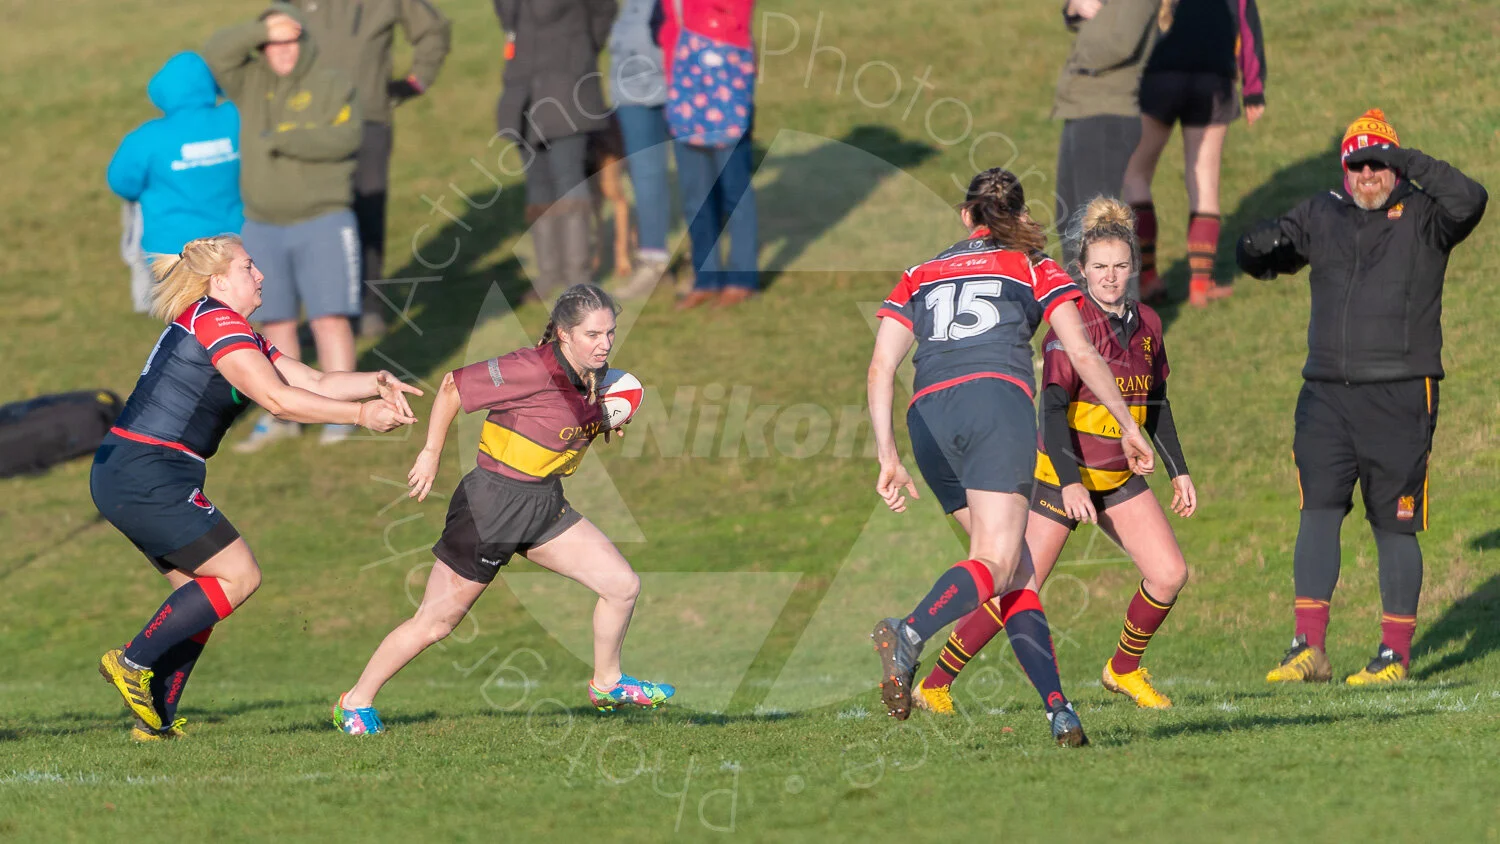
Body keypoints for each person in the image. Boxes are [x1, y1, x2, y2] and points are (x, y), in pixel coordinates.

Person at [866, 169, 1154, 746]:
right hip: (993, 404)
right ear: (1015, 215)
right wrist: (1128, 424)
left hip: (926, 419)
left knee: (1013, 570)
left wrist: (888, 457)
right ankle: (910, 631)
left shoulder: (919, 274)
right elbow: (1081, 351)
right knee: (997, 561)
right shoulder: (1033, 267)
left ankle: (1059, 709)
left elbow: (881, 368)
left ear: (965, 216)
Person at [94, 234, 419, 741]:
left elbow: (311, 381)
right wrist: (360, 416)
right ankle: (133, 662)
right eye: (249, 267)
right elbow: (278, 401)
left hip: (135, 468)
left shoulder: (229, 325)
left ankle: (153, 717)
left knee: (199, 593)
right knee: (238, 576)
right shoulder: (217, 320)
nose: (260, 274)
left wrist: (376, 381)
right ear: (220, 280)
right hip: (147, 468)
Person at [332, 284, 674, 734]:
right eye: (593, 334)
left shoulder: (594, 375)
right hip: (490, 506)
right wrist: (431, 452)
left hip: (544, 504)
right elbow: (453, 385)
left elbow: (567, 417)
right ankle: (354, 702)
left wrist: (598, 424)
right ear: (564, 334)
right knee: (435, 623)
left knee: (622, 586)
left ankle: (607, 684)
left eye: (610, 333)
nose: (605, 344)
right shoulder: (530, 367)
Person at [912, 197, 1197, 714]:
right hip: (1056, 476)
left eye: (1119, 267)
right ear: (1082, 271)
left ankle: (1123, 670)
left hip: (1115, 476)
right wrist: (1068, 484)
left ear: (1133, 267)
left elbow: (1155, 402)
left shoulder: (1149, 323)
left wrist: (1180, 473)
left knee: (1169, 574)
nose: (1110, 277)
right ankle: (934, 683)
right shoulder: (1073, 321)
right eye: (1100, 268)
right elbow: (1052, 409)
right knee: (1015, 589)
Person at [1237, 109, 1487, 685]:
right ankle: (1309, 649)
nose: (1368, 175)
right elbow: (1270, 253)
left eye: (1378, 164)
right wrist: (1255, 251)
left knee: (1393, 524)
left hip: (1401, 394)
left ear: (1394, 167)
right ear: (1344, 169)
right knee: (1317, 512)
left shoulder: (1425, 214)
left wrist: (1408, 159)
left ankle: (1394, 655)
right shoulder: (1323, 212)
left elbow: (1471, 199)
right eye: (1358, 164)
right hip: (1325, 395)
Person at [203, 4, 366, 449]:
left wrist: (282, 138)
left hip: (323, 218)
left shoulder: (331, 83)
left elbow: (345, 139)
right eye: (272, 42)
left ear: (303, 40)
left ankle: (341, 417)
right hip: (262, 224)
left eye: (289, 40)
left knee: (330, 318)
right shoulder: (251, 81)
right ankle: (287, 413)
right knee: (274, 322)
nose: (282, 51)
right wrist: (260, 27)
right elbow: (215, 53)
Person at [290, 0, 452, 338]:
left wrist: (417, 81)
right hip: (310, 125)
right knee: (316, 221)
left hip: (369, 120)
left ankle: (368, 307)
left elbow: (432, 28)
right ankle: (324, 311)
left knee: (367, 213)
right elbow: (270, 36)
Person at [1121, 0, 1266, 307]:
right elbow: (1246, 18)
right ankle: (1201, 283)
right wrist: (1253, 89)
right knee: (1203, 174)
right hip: (1214, 73)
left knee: (1136, 172)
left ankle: (1147, 279)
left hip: (1159, 71)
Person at [493, 0, 618, 301]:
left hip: (568, 87)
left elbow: (605, 10)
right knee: (537, 185)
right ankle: (549, 274)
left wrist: (580, 53)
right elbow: (506, 18)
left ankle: (578, 277)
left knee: (569, 181)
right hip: (522, 90)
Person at [107, 52, 243, 313]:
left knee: (189, 326)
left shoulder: (147, 138)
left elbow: (121, 183)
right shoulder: (236, 119)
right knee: (235, 320)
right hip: (235, 243)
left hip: (172, 251)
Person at [660, 0, 759, 310]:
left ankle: (742, 279)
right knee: (695, 196)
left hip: (725, 86)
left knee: (736, 192)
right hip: (684, 88)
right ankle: (706, 278)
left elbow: (735, 13)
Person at [1051, 0, 1168, 257]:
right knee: (1069, 219)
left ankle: (1118, 297)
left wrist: (1077, 59)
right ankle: (1081, 297)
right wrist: (1073, 6)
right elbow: (1078, 15)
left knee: (1102, 229)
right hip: (1079, 108)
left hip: (1108, 114)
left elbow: (1121, 43)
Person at [608, 0, 674, 299]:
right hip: (631, 82)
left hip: (684, 75)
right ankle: (653, 262)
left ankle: (706, 265)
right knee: (644, 175)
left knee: (698, 174)